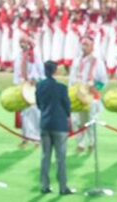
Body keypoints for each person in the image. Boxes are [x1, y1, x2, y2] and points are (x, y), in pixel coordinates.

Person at [36, 61, 74, 195]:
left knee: (45, 156)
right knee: (61, 158)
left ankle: (44, 185)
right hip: (59, 126)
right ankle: (63, 187)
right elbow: (67, 106)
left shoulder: (40, 86)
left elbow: (39, 104)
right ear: (55, 71)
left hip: (45, 124)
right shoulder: (62, 88)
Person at [69, 34, 108, 153]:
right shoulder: (77, 60)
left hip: (90, 96)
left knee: (90, 121)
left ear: (92, 46)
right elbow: (71, 78)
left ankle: (92, 143)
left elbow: (103, 81)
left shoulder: (97, 61)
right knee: (76, 121)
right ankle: (80, 144)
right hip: (77, 95)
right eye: (83, 44)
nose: (84, 47)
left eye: (87, 44)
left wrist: (95, 88)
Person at [13, 35, 45, 148]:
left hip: (33, 89)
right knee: (23, 114)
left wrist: (34, 80)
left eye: (24, 42)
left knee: (35, 113)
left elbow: (42, 74)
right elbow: (16, 73)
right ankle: (25, 138)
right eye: (20, 42)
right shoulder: (18, 56)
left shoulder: (35, 57)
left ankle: (37, 139)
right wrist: (17, 83)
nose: (22, 44)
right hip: (21, 88)